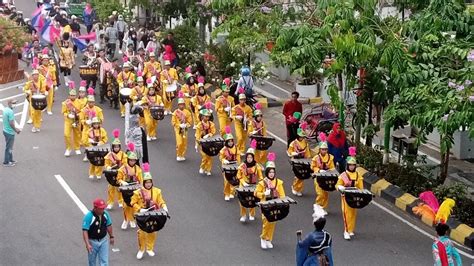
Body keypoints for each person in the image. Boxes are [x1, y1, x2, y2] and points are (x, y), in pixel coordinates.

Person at [131, 163, 168, 260]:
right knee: (142, 232)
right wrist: (140, 209)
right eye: (146, 182)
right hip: (141, 214)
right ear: (143, 183)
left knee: (153, 231)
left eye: (150, 182)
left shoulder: (157, 191)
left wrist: (164, 206)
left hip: (153, 214)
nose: (148, 184)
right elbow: (132, 202)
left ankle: (149, 248)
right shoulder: (138, 192)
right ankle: (141, 249)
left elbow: (160, 201)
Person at [254, 152, 285, 249]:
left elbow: (282, 194)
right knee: (266, 222)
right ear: (267, 172)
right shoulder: (262, 183)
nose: (271, 174)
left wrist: (282, 201)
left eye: (273, 172)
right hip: (265, 205)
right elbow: (256, 193)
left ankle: (269, 239)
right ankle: (263, 238)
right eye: (270, 172)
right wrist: (264, 194)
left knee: (273, 222)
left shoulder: (278, 182)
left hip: (275, 204)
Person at [336, 147, 363, 240]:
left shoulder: (358, 175)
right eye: (350, 165)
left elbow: (361, 187)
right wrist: (340, 187)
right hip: (345, 196)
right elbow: (338, 185)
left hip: (355, 197)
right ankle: (346, 231)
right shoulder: (344, 175)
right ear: (347, 165)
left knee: (353, 214)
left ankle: (351, 229)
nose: (352, 166)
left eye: (353, 165)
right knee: (346, 214)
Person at [116, 143, 143, 230]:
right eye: (131, 160)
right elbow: (118, 178)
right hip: (125, 189)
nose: (132, 162)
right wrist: (122, 182)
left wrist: (139, 186)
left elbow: (141, 179)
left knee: (133, 204)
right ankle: (125, 220)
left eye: (134, 161)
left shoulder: (138, 169)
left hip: (135, 189)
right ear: (128, 160)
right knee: (125, 205)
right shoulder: (123, 168)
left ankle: (132, 219)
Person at [82, 198, 114, 266]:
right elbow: (85, 231)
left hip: (103, 241)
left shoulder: (105, 214)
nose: (103, 210)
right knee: (92, 262)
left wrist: (111, 236)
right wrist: (87, 244)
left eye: (103, 208)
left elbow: (109, 225)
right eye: (101, 208)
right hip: (92, 242)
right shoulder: (89, 216)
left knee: (104, 262)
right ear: (95, 208)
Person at [237, 140, 263, 222]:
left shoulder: (257, 166)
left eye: (251, 157)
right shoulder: (242, 166)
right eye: (248, 157)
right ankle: (243, 215)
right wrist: (243, 182)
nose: (249, 159)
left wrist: (261, 184)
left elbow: (261, 177)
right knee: (242, 201)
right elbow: (238, 175)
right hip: (243, 185)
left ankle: (252, 214)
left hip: (253, 185)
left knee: (252, 200)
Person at [311, 133, 335, 213]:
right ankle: (317, 206)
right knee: (320, 193)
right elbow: (312, 167)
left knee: (325, 194)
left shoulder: (330, 157)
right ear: (319, 150)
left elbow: (332, 167)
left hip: (327, 178)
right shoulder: (316, 158)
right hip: (318, 177)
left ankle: (323, 207)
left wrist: (331, 171)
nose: (324, 151)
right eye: (322, 149)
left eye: (325, 149)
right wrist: (318, 170)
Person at [104, 129, 127, 209]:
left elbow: (125, 163)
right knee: (111, 188)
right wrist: (108, 167)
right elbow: (106, 164)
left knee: (120, 188)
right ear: (112, 147)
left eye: (118, 147)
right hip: (111, 173)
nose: (116, 148)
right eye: (115, 147)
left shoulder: (123, 155)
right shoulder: (109, 155)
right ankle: (110, 202)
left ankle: (120, 201)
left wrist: (121, 168)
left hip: (120, 173)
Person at [80, 88, 104, 161]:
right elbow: (81, 119)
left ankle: (89, 154)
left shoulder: (98, 109)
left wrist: (96, 122)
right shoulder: (84, 110)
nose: (91, 104)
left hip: (95, 129)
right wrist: (85, 121)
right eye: (89, 102)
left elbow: (101, 119)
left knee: (95, 142)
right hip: (87, 128)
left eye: (92, 102)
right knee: (84, 141)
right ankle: (88, 152)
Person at [288, 123, 311, 197]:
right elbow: (289, 152)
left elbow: (307, 151)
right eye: (300, 136)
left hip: (303, 161)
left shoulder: (305, 143)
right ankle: (294, 187)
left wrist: (308, 159)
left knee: (302, 175)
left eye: (303, 137)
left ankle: (299, 189)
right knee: (297, 175)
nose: (302, 138)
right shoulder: (293, 143)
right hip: (295, 161)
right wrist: (293, 153)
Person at [219, 126, 241, 201]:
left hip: (234, 166)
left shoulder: (236, 148)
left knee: (234, 180)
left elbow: (238, 157)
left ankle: (232, 192)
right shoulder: (224, 149)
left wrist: (238, 164)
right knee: (227, 181)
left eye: (231, 141)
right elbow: (221, 157)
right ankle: (226, 193)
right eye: (229, 141)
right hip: (226, 166)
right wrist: (224, 160)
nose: (230, 142)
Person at [62, 82, 82, 157]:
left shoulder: (79, 102)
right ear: (69, 95)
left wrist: (77, 115)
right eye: (71, 95)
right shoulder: (65, 103)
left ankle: (77, 148)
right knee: (66, 134)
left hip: (76, 120)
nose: (72, 96)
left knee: (77, 134)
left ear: (76, 96)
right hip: (68, 121)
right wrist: (68, 115)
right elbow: (63, 112)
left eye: (73, 95)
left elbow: (82, 112)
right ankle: (68, 148)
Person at [23, 69, 46, 133]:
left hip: (39, 99)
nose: (35, 76)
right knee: (33, 113)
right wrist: (27, 91)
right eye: (34, 75)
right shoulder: (30, 83)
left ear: (38, 75)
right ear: (32, 76)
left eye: (37, 75)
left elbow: (43, 91)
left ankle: (37, 126)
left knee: (38, 113)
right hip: (32, 99)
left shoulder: (41, 82)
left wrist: (43, 93)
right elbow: (24, 89)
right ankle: (35, 125)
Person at [195, 108, 216, 175]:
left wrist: (209, 135)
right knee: (205, 156)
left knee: (210, 156)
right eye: (205, 116)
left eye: (208, 117)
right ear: (202, 116)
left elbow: (213, 131)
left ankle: (208, 169)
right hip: (202, 143)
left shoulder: (211, 124)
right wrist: (197, 144)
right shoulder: (199, 125)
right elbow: (197, 135)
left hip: (210, 142)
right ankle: (202, 167)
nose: (207, 118)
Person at [171, 93, 192, 161]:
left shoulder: (187, 112)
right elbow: (173, 122)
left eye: (183, 104)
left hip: (185, 129)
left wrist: (186, 125)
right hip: (178, 129)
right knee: (179, 143)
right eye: (180, 104)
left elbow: (190, 122)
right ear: (178, 105)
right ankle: (178, 154)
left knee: (184, 142)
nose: (181, 106)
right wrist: (178, 125)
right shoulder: (175, 112)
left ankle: (182, 155)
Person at [232, 89, 253, 156]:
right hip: (238, 124)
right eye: (241, 99)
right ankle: (237, 148)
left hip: (245, 125)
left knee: (244, 138)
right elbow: (232, 115)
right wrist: (236, 117)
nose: (242, 101)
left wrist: (248, 119)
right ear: (239, 100)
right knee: (239, 137)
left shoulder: (248, 108)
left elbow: (251, 115)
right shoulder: (235, 108)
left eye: (243, 99)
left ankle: (241, 150)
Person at [2, 99, 21, 167]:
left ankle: (10, 159)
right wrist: (16, 130)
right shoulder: (10, 112)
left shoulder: (6, 109)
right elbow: (11, 123)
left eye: (15, 102)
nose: (15, 104)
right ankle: (6, 162)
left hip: (5, 131)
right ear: (9, 103)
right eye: (14, 103)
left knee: (10, 147)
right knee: (9, 147)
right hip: (9, 132)